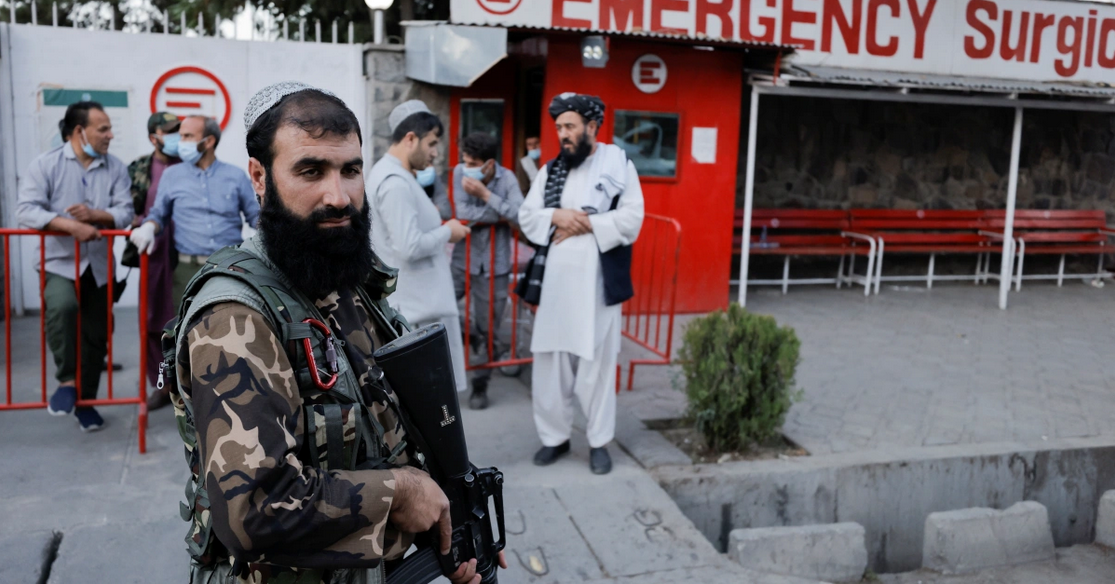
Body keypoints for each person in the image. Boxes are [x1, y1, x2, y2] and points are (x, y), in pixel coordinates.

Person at [173, 82, 503, 584]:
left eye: (350, 170)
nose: (339, 196)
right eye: (311, 171)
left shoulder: (342, 277)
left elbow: (385, 419)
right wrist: (400, 494)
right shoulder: (234, 316)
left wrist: (448, 512)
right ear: (259, 177)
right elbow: (254, 509)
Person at [518, 93, 644, 475]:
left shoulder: (618, 164)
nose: (563, 134)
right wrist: (559, 215)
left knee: (597, 368)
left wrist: (588, 223)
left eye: (570, 126)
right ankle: (554, 438)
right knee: (550, 365)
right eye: (559, 127)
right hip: (555, 287)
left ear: (592, 126)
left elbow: (633, 218)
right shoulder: (551, 169)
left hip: (597, 288)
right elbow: (528, 216)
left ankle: (599, 442)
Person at [16, 101, 134, 432]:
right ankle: (67, 381)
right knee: (63, 307)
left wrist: (96, 216)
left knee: (96, 335)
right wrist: (69, 226)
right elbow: (25, 209)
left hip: (98, 265)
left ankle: (86, 403)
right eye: (103, 129)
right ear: (79, 131)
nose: (110, 135)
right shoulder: (46, 164)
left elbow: (126, 211)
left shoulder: (115, 168)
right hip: (58, 262)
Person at [367, 100, 470, 394]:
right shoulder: (395, 182)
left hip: (420, 310)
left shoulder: (397, 177)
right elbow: (409, 246)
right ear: (410, 138)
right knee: (432, 401)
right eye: (432, 143)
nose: (436, 152)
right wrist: (447, 231)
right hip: (417, 315)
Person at [128, 115, 260, 310]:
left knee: (232, 321)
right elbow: (158, 214)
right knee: (186, 325)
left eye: (187, 136)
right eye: (181, 136)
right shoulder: (172, 175)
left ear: (209, 141)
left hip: (231, 266)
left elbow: (255, 217)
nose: (181, 142)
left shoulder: (235, 175)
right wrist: (148, 227)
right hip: (188, 270)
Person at [451, 132, 524, 410]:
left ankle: (480, 385)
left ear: (489, 163)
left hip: (496, 264)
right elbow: (462, 212)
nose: (466, 167)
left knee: (488, 326)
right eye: (465, 160)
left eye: (472, 163)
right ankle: (473, 338)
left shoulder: (507, 179)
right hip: (462, 259)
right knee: (440, 308)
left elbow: (521, 215)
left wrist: (485, 195)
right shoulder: (459, 172)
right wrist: (500, 213)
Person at [126, 112, 182, 411]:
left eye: (179, 130)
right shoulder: (139, 169)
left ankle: (188, 386)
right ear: (154, 137)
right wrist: (136, 221)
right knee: (152, 324)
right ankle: (161, 386)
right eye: (169, 131)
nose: (176, 136)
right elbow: (124, 207)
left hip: (183, 254)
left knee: (184, 322)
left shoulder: (188, 166)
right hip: (153, 256)